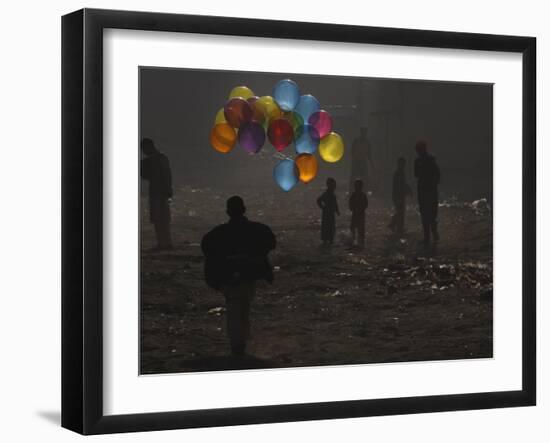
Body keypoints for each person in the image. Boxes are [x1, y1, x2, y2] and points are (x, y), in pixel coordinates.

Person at [201, 196, 276, 356]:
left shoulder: (217, 234)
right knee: (244, 307)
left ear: (228, 212)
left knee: (235, 309)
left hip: (229, 276)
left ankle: (237, 345)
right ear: (244, 210)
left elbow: (207, 250)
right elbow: (268, 246)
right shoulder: (259, 230)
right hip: (248, 275)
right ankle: (241, 344)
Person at [140, 138, 173, 250]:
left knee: (159, 219)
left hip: (157, 192)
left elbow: (146, 175)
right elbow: (167, 175)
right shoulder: (162, 158)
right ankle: (166, 243)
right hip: (162, 192)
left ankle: (163, 243)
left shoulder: (152, 160)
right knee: (163, 219)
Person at [414, 141, 441, 245]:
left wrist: (433, 183)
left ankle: (431, 235)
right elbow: (416, 174)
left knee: (429, 213)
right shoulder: (427, 160)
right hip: (426, 189)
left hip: (427, 189)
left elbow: (416, 174)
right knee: (428, 213)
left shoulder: (425, 160)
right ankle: (430, 235)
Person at [388, 157, 412, 236]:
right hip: (398, 195)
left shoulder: (400, 172)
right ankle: (399, 228)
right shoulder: (398, 173)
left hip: (400, 195)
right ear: (398, 164)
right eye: (401, 163)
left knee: (400, 211)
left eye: (403, 164)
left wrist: (408, 190)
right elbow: (399, 185)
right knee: (400, 212)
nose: (402, 165)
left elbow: (403, 184)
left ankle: (394, 225)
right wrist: (408, 190)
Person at [350, 127, 374, 192]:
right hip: (357, 161)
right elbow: (352, 152)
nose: (364, 133)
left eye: (365, 132)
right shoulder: (357, 141)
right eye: (363, 132)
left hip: (362, 161)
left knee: (364, 178)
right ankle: (352, 191)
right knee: (354, 177)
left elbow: (369, 154)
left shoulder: (367, 143)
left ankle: (363, 191)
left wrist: (371, 164)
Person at [317, 178, 340, 245]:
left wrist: (337, 210)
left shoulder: (332, 194)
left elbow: (335, 203)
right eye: (333, 185)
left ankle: (330, 239)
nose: (334, 187)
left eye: (334, 185)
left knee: (331, 226)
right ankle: (326, 240)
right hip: (327, 213)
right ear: (329, 186)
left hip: (330, 213)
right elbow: (318, 200)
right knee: (326, 226)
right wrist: (322, 207)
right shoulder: (326, 194)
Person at [348, 179, 368, 248]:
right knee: (353, 227)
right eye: (356, 186)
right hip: (356, 213)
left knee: (360, 228)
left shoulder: (362, 195)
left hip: (360, 214)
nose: (357, 188)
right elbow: (350, 203)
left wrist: (360, 209)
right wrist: (352, 208)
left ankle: (360, 240)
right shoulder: (354, 195)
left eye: (358, 186)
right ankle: (353, 239)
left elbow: (365, 204)